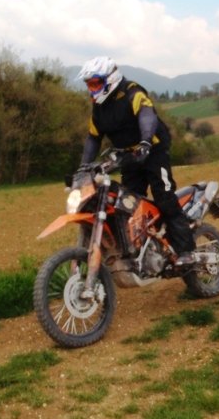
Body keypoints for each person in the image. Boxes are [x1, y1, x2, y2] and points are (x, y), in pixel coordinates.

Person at [78, 56, 196, 268]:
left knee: (165, 197)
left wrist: (145, 141)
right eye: (89, 85)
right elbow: (93, 137)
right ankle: (140, 251)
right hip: (128, 156)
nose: (91, 89)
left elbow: (146, 115)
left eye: (95, 83)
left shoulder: (132, 92)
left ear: (110, 79)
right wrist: (83, 167)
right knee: (128, 205)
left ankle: (186, 250)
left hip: (153, 150)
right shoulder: (98, 107)